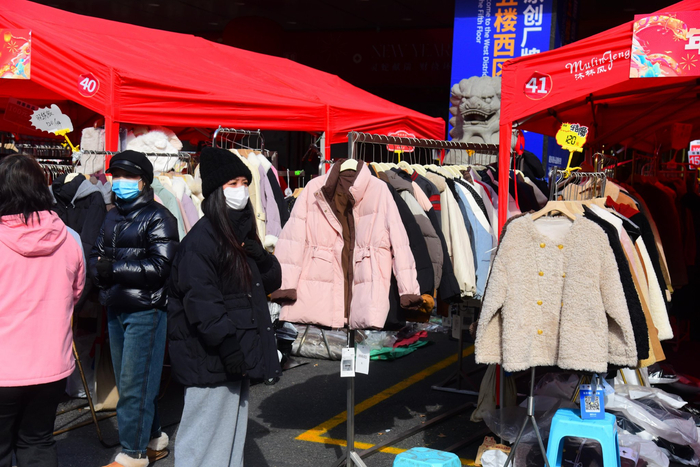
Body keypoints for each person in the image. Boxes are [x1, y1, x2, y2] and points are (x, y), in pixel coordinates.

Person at [167, 147, 282, 467]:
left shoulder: (240, 233)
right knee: (204, 442)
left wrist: (262, 258)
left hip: (234, 354)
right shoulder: (202, 240)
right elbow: (202, 302)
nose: (241, 190)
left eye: (244, 182)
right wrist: (228, 345)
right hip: (212, 357)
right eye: (233, 183)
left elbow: (270, 283)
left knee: (228, 441)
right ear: (217, 191)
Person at [89, 150, 179, 467]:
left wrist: (112, 270)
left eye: (129, 176)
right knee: (133, 382)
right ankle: (153, 438)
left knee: (134, 385)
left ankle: (133, 453)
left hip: (146, 310)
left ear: (144, 181)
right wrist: (101, 275)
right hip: (116, 307)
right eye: (117, 175)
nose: (121, 181)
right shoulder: (112, 215)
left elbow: (161, 267)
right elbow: (97, 255)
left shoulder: (159, 217)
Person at [0, 154, 85, 467]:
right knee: (37, 442)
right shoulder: (70, 238)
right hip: (51, 365)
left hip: (4, 369)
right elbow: (76, 293)